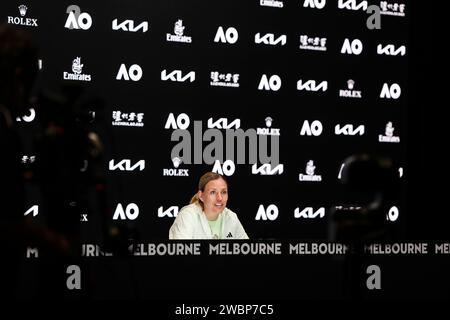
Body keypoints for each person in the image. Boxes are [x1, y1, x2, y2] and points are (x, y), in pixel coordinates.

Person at [169, 172, 248, 239]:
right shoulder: (188, 216)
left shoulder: (231, 217)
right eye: (213, 192)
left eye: (223, 192)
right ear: (201, 196)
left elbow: (246, 249)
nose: (220, 198)